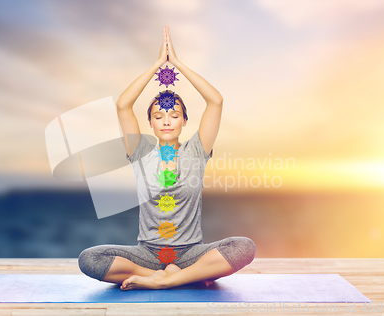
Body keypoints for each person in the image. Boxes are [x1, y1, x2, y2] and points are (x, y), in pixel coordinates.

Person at [78, 25, 256, 290]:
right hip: (147, 254)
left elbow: (215, 101)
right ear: (150, 122)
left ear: (184, 120)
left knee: (244, 247)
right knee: (89, 259)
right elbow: (123, 105)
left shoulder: (196, 151)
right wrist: (157, 65)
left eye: (174, 115)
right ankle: (177, 276)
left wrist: (178, 64)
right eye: (158, 116)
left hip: (190, 253)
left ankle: (169, 279)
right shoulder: (139, 152)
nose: (166, 121)